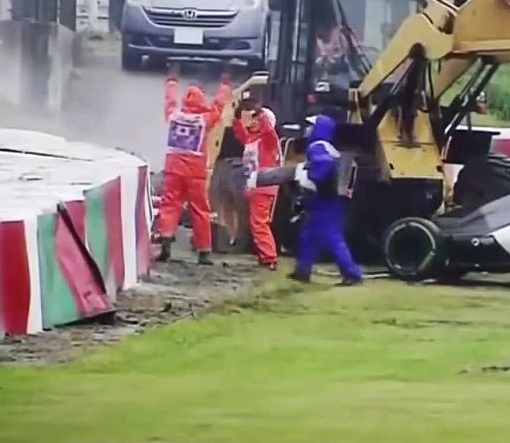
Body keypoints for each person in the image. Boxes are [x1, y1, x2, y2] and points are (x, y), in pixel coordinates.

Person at [154, 62, 232, 265]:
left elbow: (170, 99)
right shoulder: (204, 119)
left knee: (169, 205)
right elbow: (219, 105)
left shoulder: (173, 116)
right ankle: (204, 250)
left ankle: (165, 240)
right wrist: (224, 85)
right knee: (200, 210)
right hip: (195, 172)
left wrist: (172, 81)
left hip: (173, 169)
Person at [291, 114, 362, 286]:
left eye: (311, 126)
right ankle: (302, 271)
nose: (307, 129)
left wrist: (307, 175)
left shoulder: (317, 146)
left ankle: (352, 274)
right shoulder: (329, 147)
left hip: (323, 199)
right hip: (328, 199)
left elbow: (323, 166)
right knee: (310, 235)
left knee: (333, 237)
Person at [231, 96, 281, 269]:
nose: (251, 122)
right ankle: (265, 255)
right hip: (255, 186)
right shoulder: (253, 139)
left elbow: (268, 132)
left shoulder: (268, 140)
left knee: (260, 222)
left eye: (255, 119)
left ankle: (269, 257)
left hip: (263, 186)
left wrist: (259, 115)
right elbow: (240, 133)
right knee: (256, 222)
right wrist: (237, 117)